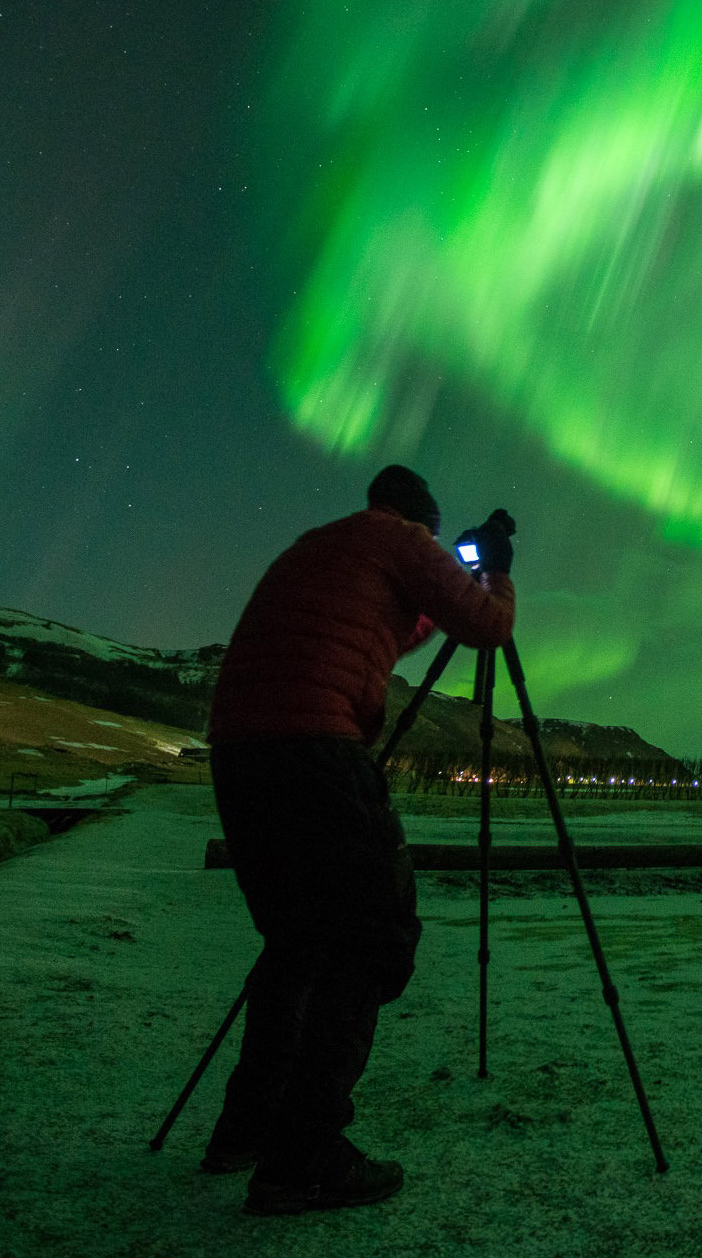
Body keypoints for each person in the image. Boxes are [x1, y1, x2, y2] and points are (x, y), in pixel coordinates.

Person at [200, 465, 515, 1215]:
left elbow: (378, 631)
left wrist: (439, 595)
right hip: (316, 749)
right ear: (422, 524)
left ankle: (247, 1128)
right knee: (373, 939)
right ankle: (304, 1156)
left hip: (240, 756)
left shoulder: (322, 544)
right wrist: (494, 573)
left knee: (296, 940)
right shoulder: (403, 540)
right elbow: (489, 628)